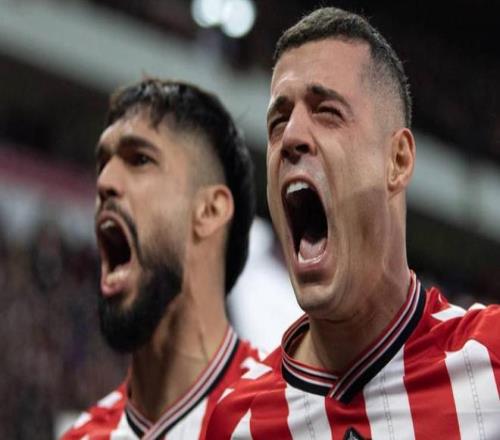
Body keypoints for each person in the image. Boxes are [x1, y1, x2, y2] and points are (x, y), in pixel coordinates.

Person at [205, 7, 500, 439]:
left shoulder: (491, 363)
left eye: (327, 112)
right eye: (278, 121)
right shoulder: (236, 422)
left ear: (397, 160)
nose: (290, 138)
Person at [63, 78, 260, 439]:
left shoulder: (289, 419)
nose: (105, 181)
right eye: (103, 163)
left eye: (140, 159)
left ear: (209, 210)